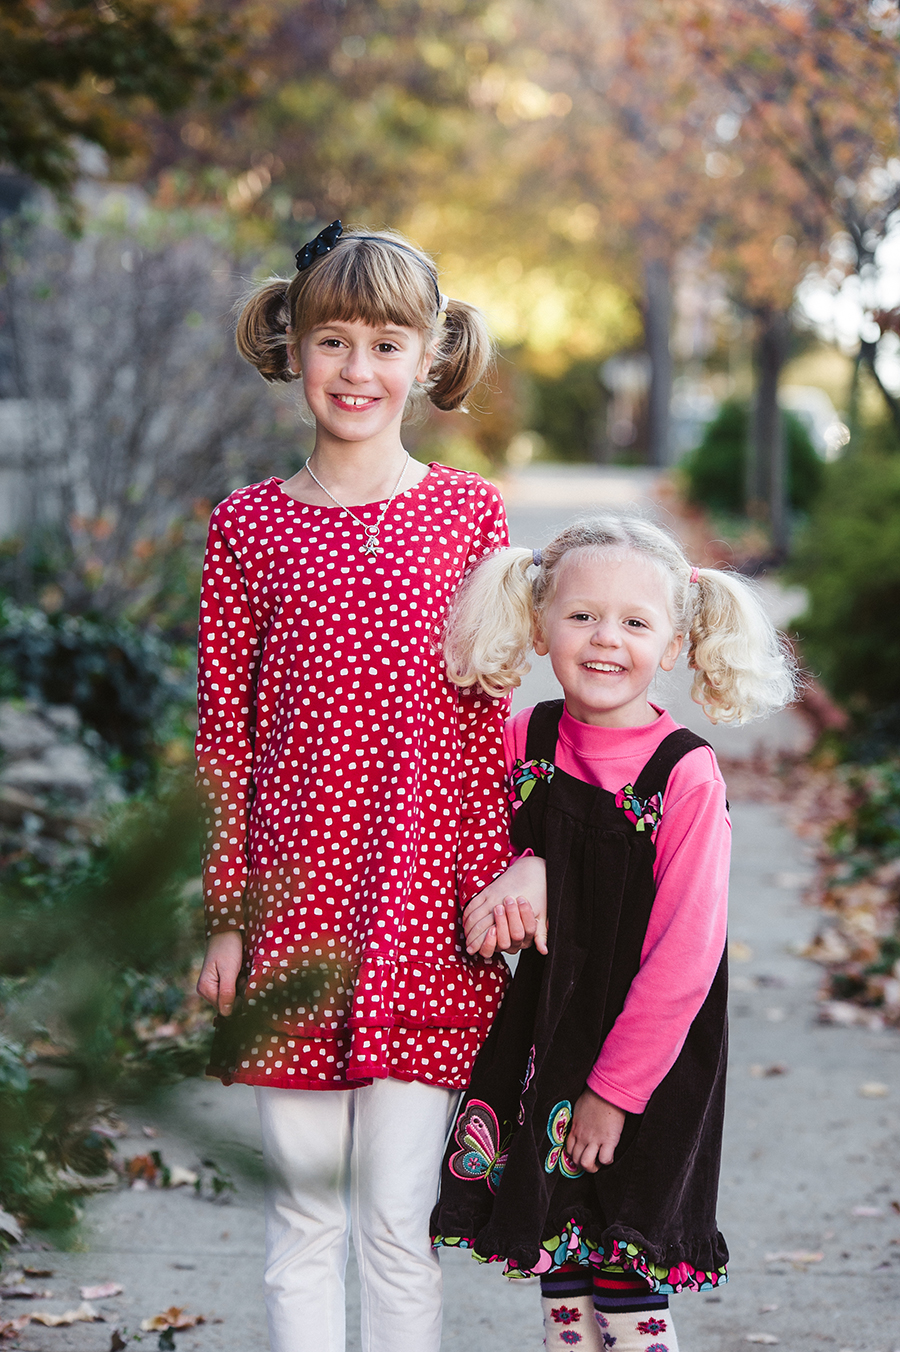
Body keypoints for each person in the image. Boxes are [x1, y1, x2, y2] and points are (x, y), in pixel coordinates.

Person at [194, 220, 542, 1352]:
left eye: (387, 344)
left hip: (424, 913)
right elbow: (223, 741)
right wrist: (226, 917)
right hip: (291, 918)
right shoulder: (248, 526)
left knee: (397, 1224)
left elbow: (492, 720)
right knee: (304, 1220)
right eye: (333, 340)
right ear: (292, 347)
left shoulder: (470, 517)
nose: (357, 369)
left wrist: (508, 872)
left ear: (429, 357)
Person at [431, 513, 797, 1351]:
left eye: (635, 622)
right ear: (540, 627)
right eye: (582, 615)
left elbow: (686, 957)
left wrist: (614, 1093)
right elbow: (470, 862)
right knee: (561, 1262)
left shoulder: (684, 775)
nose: (606, 639)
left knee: (625, 1270)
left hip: (646, 1064)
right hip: (548, 1039)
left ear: (673, 646)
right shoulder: (521, 741)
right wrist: (525, 868)